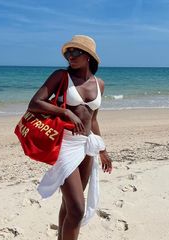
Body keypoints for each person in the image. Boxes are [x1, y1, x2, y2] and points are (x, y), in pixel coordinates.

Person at [27, 35, 112, 240]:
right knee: (77, 209)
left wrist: (103, 150)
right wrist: (65, 112)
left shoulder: (99, 84)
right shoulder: (60, 76)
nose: (70, 56)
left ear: (89, 57)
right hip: (64, 145)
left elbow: (92, 120)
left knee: (69, 205)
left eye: (75, 52)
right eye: (68, 53)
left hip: (86, 146)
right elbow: (35, 103)